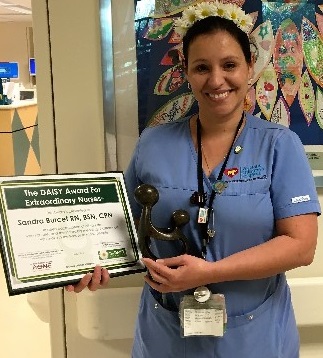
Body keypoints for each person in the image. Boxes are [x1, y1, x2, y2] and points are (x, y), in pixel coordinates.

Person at [66, 2, 320, 357]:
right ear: (186, 72)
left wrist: (210, 272)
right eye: (202, 67)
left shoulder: (280, 146)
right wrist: (84, 263)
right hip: (166, 334)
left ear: (250, 66)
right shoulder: (153, 143)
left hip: (253, 337)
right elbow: (118, 226)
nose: (216, 80)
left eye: (229, 65)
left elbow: (301, 245)